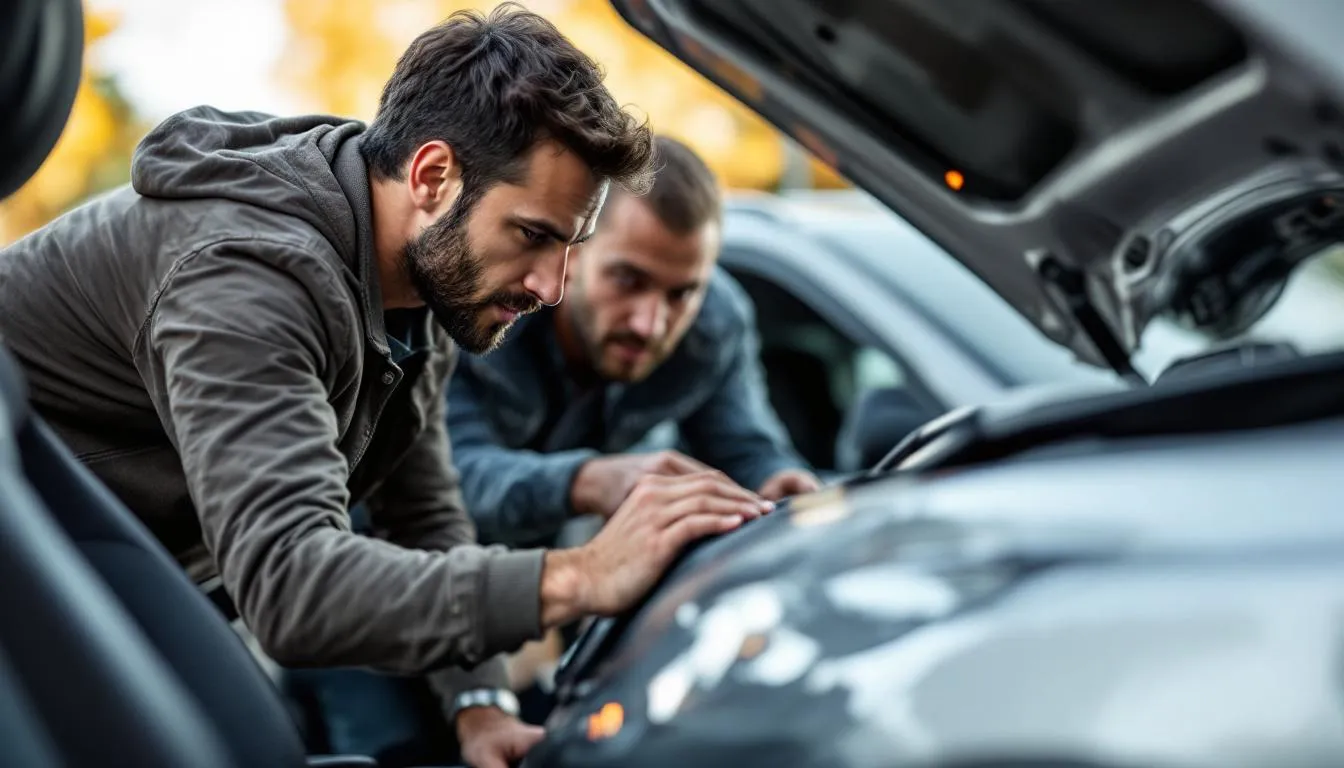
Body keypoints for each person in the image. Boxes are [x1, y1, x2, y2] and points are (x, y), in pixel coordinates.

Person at [0, 6, 770, 768]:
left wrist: (482, 705)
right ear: (433, 175)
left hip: (96, 570)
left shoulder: (416, 279)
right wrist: (577, 577)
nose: (552, 287)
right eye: (534, 235)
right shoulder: (247, 278)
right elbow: (293, 584)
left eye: (569, 247)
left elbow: (423, 509)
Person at [448, 134, 822, 551]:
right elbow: (443, 476)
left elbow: (744, 447)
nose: (650, 324)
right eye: (628, 280)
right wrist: (588, 480)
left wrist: (777, 479)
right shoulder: (487, 304)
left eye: (681, 294)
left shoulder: (715, 323)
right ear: (569, 256)